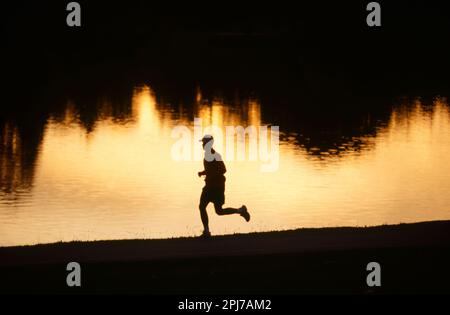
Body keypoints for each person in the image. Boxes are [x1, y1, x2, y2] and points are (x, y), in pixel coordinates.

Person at [197, 134, 250, 237]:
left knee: (204, 207)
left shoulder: (215, 155)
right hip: (212, 186)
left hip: (215, 187)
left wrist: (212, 176)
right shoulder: (208, 155)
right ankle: (240, 210)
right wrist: (203, 173)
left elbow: (223, 170)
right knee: (217, 211)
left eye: (204, 143)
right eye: (202, 143)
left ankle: (207, 232)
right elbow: (211, 170)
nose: (202, 145)